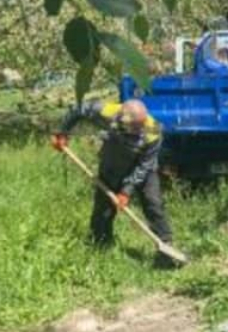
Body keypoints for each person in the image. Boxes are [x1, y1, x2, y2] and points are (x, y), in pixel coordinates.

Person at [51, 99, 174, 262]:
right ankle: (100, 244)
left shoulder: (154, 131)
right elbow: (78, 109)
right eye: (133, 128)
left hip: (143, 170)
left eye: (140, 126)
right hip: (112, 165)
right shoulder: (107, 111)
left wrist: (126, 191)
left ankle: (165, 246)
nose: (138, 130)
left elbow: (144, 166)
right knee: (103, 209)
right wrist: (63, 133)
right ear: (120, 119)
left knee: (153, 204)